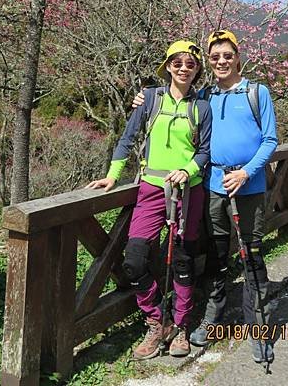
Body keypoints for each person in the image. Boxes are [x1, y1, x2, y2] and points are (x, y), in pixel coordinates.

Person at [132, 30, 278, 364]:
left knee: (251, 256)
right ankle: (212, 319)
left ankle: (259, 330)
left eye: (227, 55)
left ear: (238, 57)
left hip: (248, 186)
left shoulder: (257, 93)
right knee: (214, 255)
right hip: (212, 185)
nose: (222, 61)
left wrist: (246, 173)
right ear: (208, 63)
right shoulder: (206, 95)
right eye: (215, 57)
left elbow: (270, 140)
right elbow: (171, 99)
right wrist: (142, 99)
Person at [88, 40, 212, 360]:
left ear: (197, 69)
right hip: (151, 189)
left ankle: (181, 325)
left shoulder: (202, 107)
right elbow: (128, 138)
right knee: (134, 260)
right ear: (168, 66)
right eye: (178, 62)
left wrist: (187, 170)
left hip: (189, 190)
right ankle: (158, 320)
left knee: (183, 261)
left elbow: (204, 151)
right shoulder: (151, 99)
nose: (184, 68)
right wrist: (113, 175)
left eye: (190, 64)